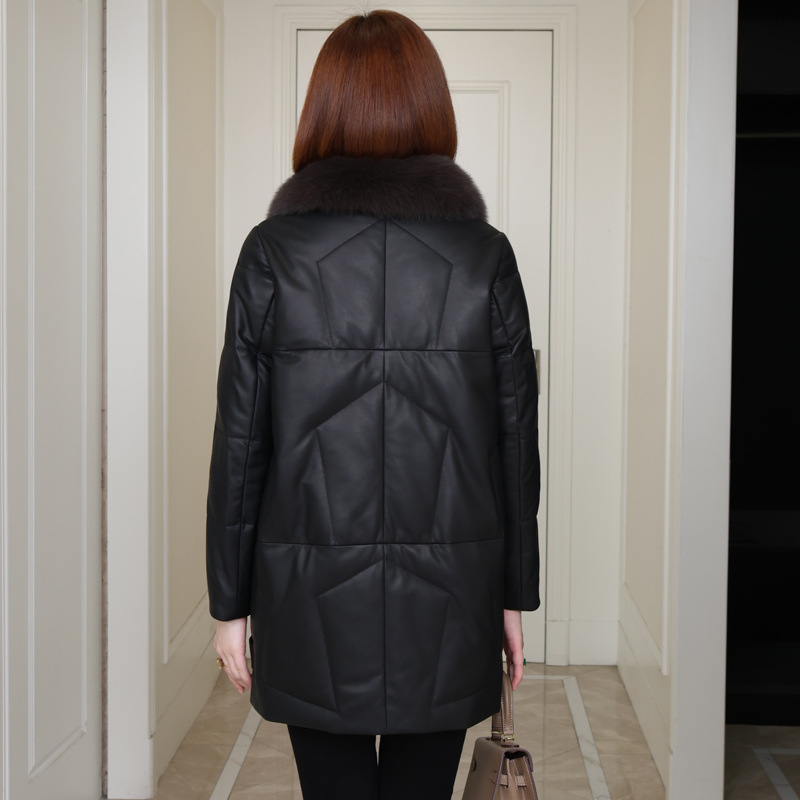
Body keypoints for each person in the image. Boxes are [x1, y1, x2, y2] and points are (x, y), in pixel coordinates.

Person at [205, 10, 540, 800]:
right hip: (453, 591)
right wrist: (513, 596)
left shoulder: (272, 254)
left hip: (307, 595)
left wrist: (229, 604)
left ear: (321, 111)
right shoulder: (485, 257)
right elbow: (515, 442)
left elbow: (240, 444)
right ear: (432, 108)